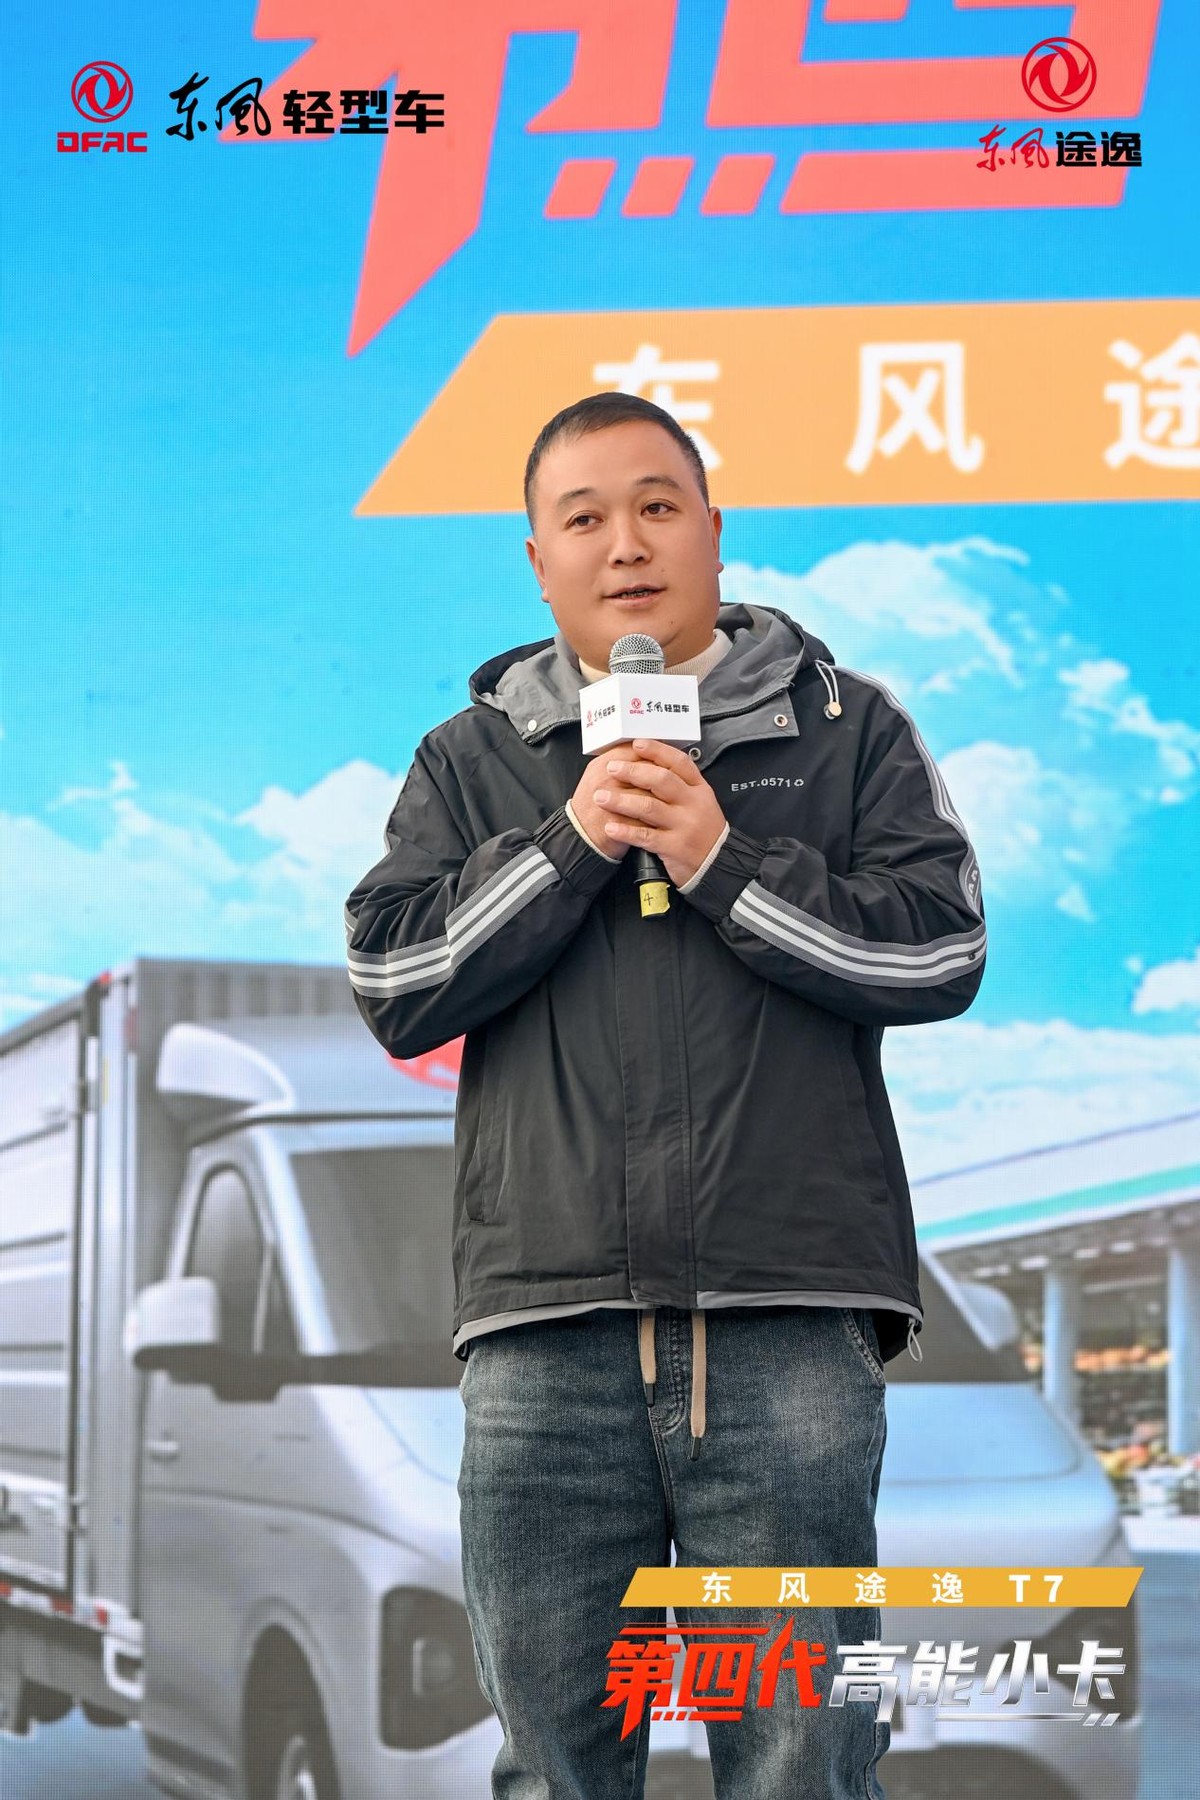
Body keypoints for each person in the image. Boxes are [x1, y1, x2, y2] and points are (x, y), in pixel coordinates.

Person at [343, 391, 987, 1798]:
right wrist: (572, 841)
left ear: (711, 528)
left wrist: (721, 861)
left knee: (804, 1758)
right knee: (555, 1764)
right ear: (539, 561)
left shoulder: (848, 729)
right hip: (545, 1335)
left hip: (786, 1327)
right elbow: (395, 979)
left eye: (656, 506)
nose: (625, 544)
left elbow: (942, 951)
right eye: (584, 519)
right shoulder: (472, 760)